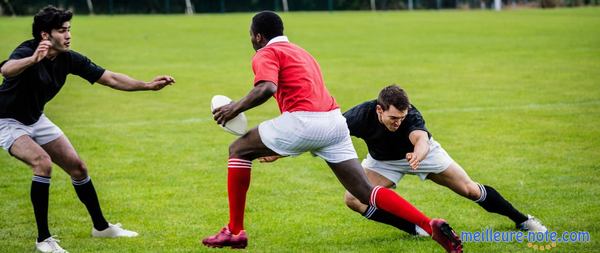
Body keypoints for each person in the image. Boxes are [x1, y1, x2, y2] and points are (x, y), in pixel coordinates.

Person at [203, 11, 462, 253]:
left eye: (251, 36)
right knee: (364, 191)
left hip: (304, 120)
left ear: (258, 36)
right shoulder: (302, 52)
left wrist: (232, 109)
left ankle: (235, 231)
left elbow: (267, 88)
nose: (252, 40)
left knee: (238, 149)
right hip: (334, 122)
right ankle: (429, 224)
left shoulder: (265, 53)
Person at [0, 6, 175, 253]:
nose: (68, 35)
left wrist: (147, 85)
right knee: (43, 164)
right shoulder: (27, 50)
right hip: (6, 120)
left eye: (69, 30)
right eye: (62, 31)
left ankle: (101, 227)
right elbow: (6, 70)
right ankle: (43, 240)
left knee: (78, 168)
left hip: (36, 118)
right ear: (44, 36)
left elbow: (110, 78)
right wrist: (32, 60)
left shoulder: (68, 58)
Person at [343, 85, 547, 236]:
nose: (398, 122)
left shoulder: (411, 115)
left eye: (402, 118)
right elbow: (334, 132)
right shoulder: (360, 115)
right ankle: (416, 229)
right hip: (383, 162)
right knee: (353, 199)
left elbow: (421, 139)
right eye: (393, 118)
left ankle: (522, 220)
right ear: (380, 110)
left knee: (470, 189)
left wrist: (417, 155)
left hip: (423, 155)